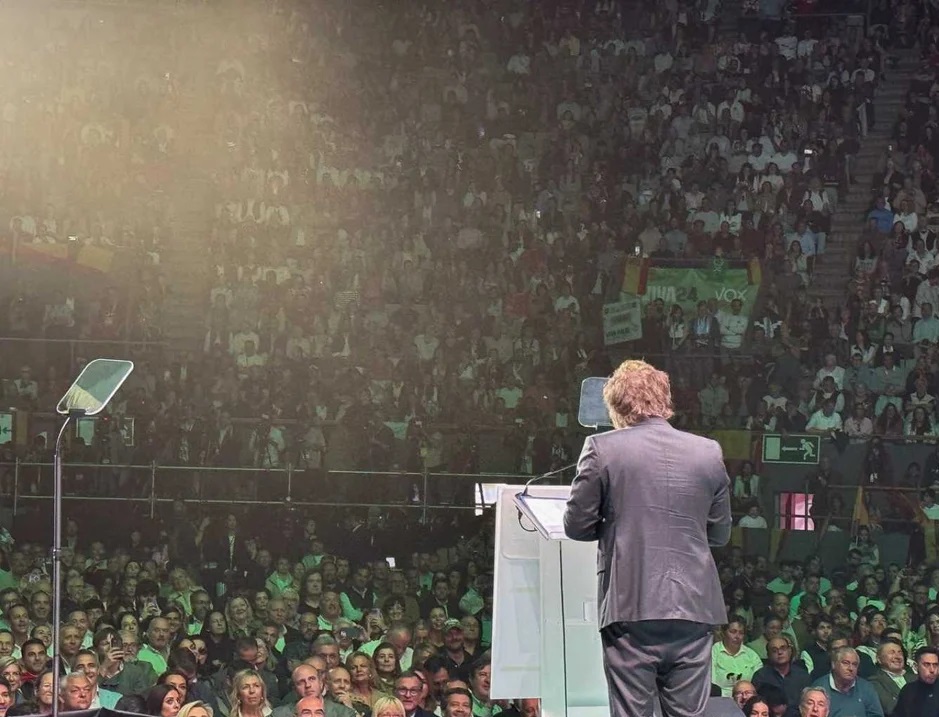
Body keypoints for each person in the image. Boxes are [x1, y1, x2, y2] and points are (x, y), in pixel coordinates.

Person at [564, 360, 732, 717]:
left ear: (617, 406)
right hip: (695, 606)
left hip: (631, 604)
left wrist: (615, 528)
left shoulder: (601, 447)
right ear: (664, 400)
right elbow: (719, 533)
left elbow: (576, 525)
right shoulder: (709, 451)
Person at [892, 646, 939, 717]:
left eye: (935, 665)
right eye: (927, 665)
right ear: (916, 666)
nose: (932, 670)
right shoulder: (908, 690)